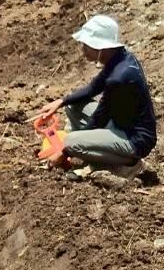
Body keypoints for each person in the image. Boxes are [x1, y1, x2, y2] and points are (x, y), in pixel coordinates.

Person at [35, 14, 157, 173]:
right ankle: (93, 147)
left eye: (86, 45)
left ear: (100, 47)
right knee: (72, 106)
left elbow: (100, 117)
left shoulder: (119, 78)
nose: (83, 50)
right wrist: (61, 101)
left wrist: (64, 151)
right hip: (120, 123)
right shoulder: (120, 58)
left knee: (71, 141)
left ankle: (128, 166)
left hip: (134, 141)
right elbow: (93, 88)